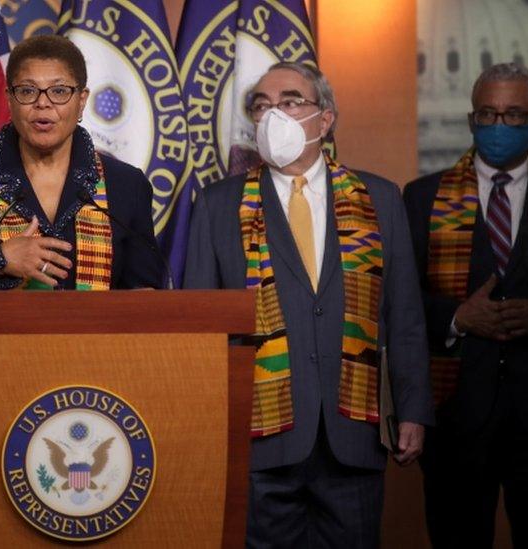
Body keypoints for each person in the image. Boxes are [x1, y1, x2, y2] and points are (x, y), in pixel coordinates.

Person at [184, 61, 433, 547]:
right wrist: (207, 425)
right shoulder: (218, 205)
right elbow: (203, 329)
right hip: (259, 438)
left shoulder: (378, 198)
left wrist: (413, 410)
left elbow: (403, 316)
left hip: (353, 432)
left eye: (291, 101)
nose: (273, 114)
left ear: (325, 119)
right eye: (262, 105)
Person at [0, 35, 162, 290]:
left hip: (97, 330)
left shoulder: (126, 186)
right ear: (9, 99)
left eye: (59, 91)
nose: (43, 103)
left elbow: (147, 293)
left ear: (81, 101)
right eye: (27, 91)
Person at [403, 62, 528, 548]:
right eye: (488, 114)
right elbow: (400, 303)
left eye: (515, 115)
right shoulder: (422, 197)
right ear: (471, 119)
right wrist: (458, 317)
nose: (500, 126)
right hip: (455, 415)